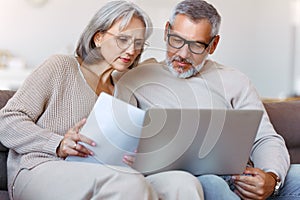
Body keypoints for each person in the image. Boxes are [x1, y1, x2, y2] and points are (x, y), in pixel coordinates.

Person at [0, 1, 204, 200]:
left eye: (138, 44)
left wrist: (139, 157)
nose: (132, 50)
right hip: (41, 167)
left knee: (183, 183)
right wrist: (58, 143)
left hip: (105, 172)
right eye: (123, 39)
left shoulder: (125, 90)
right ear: (99, 37)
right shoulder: (61, 66)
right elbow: (7, 120)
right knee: (128, 183)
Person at [115, 0, 300, 199]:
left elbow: (265, 138)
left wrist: (272, 179)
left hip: (240, 177)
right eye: (177, 40)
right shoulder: (135, 80)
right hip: (194, 181)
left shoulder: (235, 81)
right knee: (210, 182)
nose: (183, 54)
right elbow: (120, 142)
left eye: (196, 46)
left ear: (213, 45)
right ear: (167, 31)